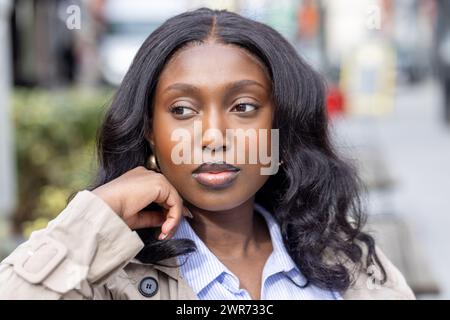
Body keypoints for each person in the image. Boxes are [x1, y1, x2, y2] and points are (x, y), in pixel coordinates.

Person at [0, 7, 414, 300]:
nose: (214, 136)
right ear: (148, 131)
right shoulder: (107, 279)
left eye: (244, 107)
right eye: (182, 110)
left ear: (281, 128)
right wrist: (95, 213)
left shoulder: (345, 263)